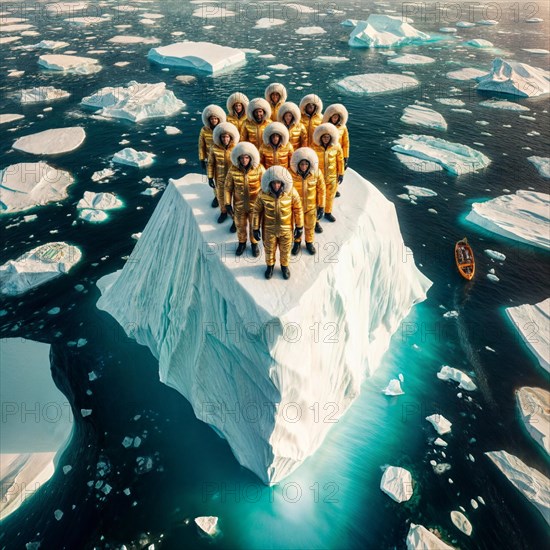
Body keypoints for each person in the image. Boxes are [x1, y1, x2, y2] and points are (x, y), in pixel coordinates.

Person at [252, 166, 304, 280]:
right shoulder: (263, 194)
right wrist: (255, 228)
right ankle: (270, 266)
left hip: (286, 229)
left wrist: (299, 226)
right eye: (274, 183)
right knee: (269, 249)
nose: (276, 186)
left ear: (282, 183)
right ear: (270, 183)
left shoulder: (291, 193)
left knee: (285, 249)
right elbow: (256, 211)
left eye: (278, 183)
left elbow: (298, 209)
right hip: (268, 229)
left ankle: (284, 266)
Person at [225, 142, 265, 257]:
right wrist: (227, 203)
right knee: (240, 225)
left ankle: (254, 244)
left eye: (246, 157)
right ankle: (242, 243)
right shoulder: (233, 170)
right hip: (239, 206)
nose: (244, 160)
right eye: (241, 158)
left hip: (255, 206)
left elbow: (266, 187)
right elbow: (228, 188)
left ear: (251, 157)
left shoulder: (259, 169)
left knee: (254, 226)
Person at [289, 148, 325, 255]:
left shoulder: (317, 173)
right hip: (296, 208)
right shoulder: (290, 174)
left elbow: (321, 190)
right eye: (301, 164)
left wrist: (321, 206)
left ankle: (309, 242)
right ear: (298, 164)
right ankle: (297, 242)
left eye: (306, 164)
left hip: (311, 207)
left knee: (310, 226)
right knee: (297, 226)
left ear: (309, 164)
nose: (303, 166)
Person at [208, 122, 240, 224]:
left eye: (227, 137)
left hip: (233, 179)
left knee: (236, 198)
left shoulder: (236, 148)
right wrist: (209, 177)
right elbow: (210, 163)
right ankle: (223, 212)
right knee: (221, 196)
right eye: (223, 137)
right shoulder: (214, 148)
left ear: (230, 137)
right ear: (220, 138)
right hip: (220, 178)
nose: (225, 139)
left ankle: (235, 218)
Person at [312, 123, 344, 223]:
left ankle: (328, 212)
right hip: (318, 178)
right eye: (323, 137)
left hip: (332, 177)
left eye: (327, 137)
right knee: (318, 198)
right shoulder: (314, 147)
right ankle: (316, 219)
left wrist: (341, 173)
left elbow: (340, 160)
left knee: (330, 196)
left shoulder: (337, 147)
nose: (325, 139)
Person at [198, 104, 226, 207]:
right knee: (214, 178)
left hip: (222, 158)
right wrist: (202, 158)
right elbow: (201, 145)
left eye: (215, 118)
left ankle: (226, 197)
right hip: (211, 160)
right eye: (212, 119)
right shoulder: (204, 130)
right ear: (208, 120)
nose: (214, 120)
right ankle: (217, 196)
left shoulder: (223, 129)